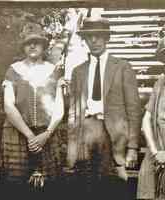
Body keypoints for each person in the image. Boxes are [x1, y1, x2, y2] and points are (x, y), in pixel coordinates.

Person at [65, 15, 142, 199]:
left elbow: (134, 108)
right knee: (85, 185)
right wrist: (72, 146)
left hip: (114, 134)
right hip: (86, 132)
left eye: (99, 36)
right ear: (84, 40)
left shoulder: (123, 67)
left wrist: (132, 147)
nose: (94, 40)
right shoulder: (78, 71)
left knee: (112, 187)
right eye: (89, 36)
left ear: (107, 38)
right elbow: (74, 112)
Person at [0, 22, 66, 200]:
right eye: (28, 43)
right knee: (16, 184)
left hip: (47, 134)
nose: (32, 45)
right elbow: (9, 106)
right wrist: (30, 136)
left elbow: (59, 106)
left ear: (43, 45)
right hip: (17, 133)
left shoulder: (54, 71)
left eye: (37, 42)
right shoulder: (13, 70)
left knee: (50, 184)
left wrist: (46, 134)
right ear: (23, 47)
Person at [137, 37, 165, 200]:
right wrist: (155, 153)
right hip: (156, 152)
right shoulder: (160, 82)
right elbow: (146, 119)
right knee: (147, 179)